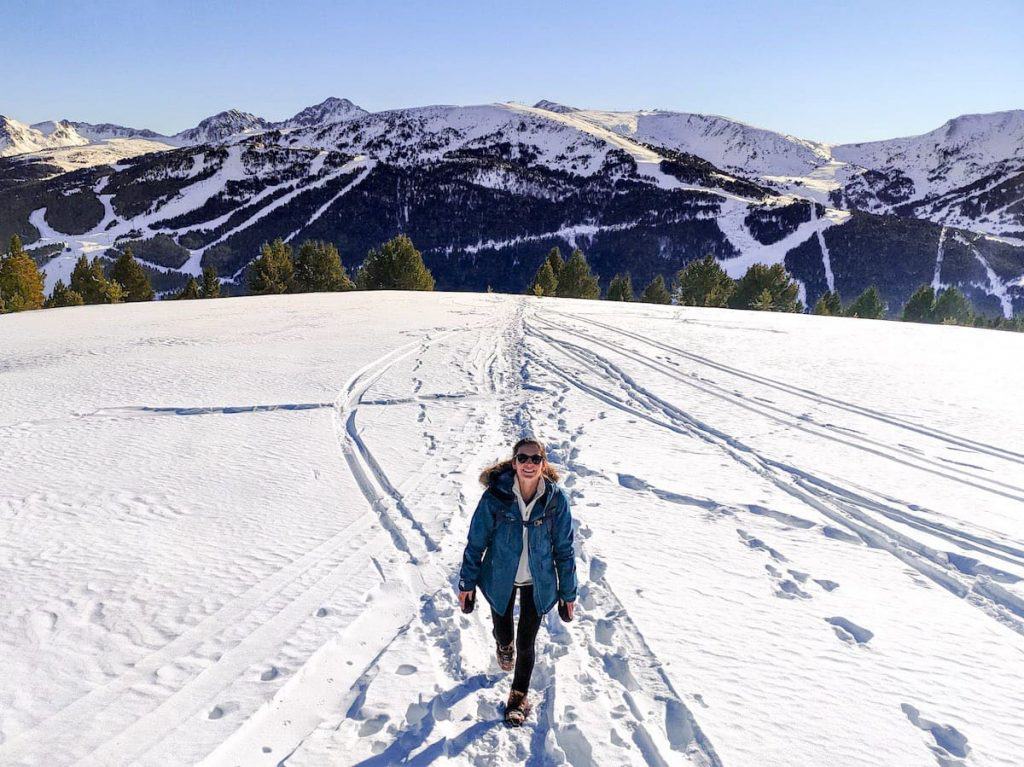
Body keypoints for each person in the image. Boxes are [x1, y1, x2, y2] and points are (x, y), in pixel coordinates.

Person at [458, 437, 577, 726]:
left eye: (535, 459)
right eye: (523, 458)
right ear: (514, 462)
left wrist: (568, 592)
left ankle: (518, 696)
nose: (529, 464)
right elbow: (476, 542)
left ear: (543, 463)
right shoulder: (495, 497)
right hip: (499, 575)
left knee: (527, 640)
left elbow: (565, 549)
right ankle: (503, 645)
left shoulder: (555, 499)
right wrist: (466, 583)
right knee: (504, 632)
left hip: (539, 579)